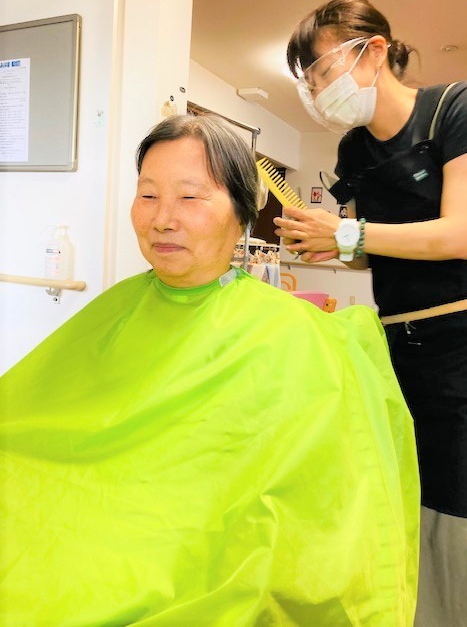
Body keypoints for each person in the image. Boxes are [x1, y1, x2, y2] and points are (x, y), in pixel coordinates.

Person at [0, 113, 420, 626]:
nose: (162, 219)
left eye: (190, 196)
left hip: (192, 561)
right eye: (148, 195)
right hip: (79, 535)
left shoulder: (298, 337)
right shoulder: (114, 311)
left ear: (241, 214)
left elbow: (320, 517)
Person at [274, 0, 467, 627]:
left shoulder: (460, 109)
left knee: (461, 514)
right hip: (393, 347)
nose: (318, 92)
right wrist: (330, 245)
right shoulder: (354, 153)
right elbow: (371, 252)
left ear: (375, 50)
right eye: (309, 83)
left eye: (321, 71)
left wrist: (348, 234)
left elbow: (462, 235)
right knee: (402, 495)